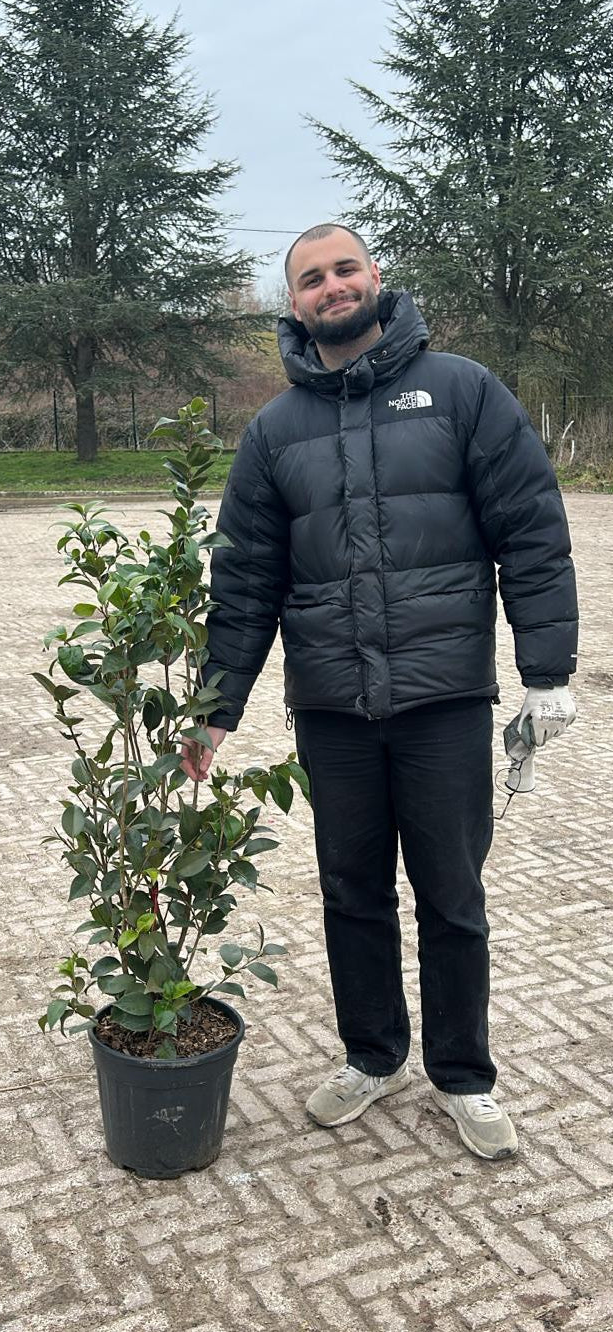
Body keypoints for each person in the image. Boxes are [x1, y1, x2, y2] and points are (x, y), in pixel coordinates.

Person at [180, 223, 578, 1160]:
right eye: (310, 278)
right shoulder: (275, 433)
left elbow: (530, 529)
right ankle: (371, 1054)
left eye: (344, 268)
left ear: (376, 276)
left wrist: (547, 672)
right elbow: (244, 584)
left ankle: (464, 1075)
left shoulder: (462, 391)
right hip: (333, 709)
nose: (330, 286)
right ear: (295, 303)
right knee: (352, 891)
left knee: (451, 894)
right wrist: (215, 708)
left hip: (443, 702)